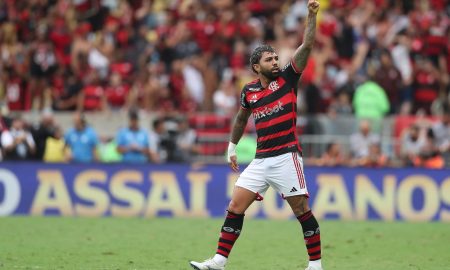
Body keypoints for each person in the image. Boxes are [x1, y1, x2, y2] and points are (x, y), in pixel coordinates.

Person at [189, 1, 322, 270]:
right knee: (235, 207)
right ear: (256, 67)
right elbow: (241, 118)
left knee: (301, 211)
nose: (275, 61)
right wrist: (231, 147)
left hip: (286, 157)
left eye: (275, 58)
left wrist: (311, 15)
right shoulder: (249, 91)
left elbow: (306, 46)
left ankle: (315, 265)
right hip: (260, 160)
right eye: (269, 59)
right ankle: (218, 261)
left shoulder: (287, 79)